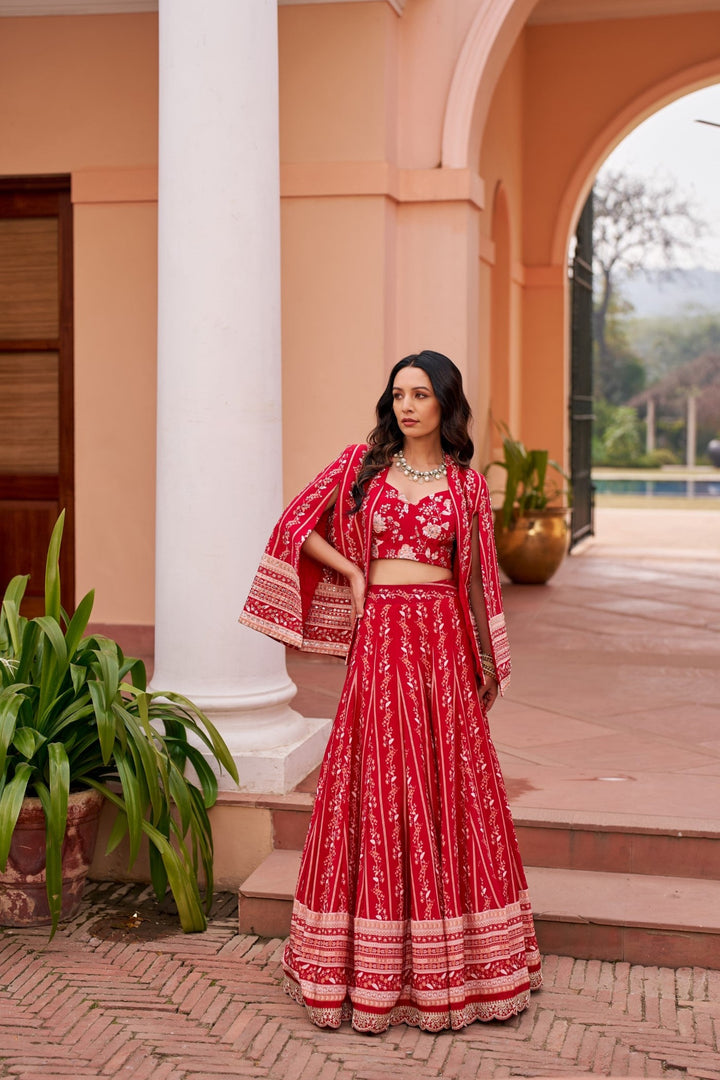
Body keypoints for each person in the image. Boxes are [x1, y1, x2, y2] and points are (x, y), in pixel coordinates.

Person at [239, 350, 542, 1034]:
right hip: (379, 642)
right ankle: (358, 967)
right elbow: (293, 526)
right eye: (398, 394)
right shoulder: (360, 467)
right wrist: (350, 569)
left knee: (447, 785)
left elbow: (478, 580)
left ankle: (463, 967)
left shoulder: (466, 487)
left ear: (445, 405)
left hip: (440, 643)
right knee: (374, 784)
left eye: (421, 395)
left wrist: (486, 657)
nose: (406, 406)